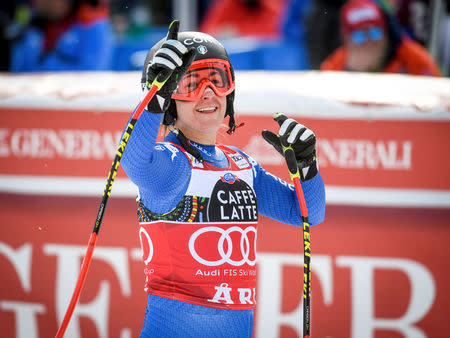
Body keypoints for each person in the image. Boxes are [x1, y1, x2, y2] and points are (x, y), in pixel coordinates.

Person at [120, 21, 326, 337]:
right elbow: (135, 162)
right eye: (190, 83)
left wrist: (307, 167)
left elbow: (309, 214)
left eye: (217, 80)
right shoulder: (172, 164)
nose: (208, 94)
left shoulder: (241, 164)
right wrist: (152, 99)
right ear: (170, 98)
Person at [320, 0, 442, 76]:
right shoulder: (336, 66)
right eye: (359, 36)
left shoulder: (412, 58)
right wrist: (352, 72)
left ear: (386, 32)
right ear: (347, 41)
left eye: (375, 32)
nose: (369, 42)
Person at [10, 0, 113, 72]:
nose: (39, 3)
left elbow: (94, 72)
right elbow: (19, 68)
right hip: (32, 98)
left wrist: (49, 63)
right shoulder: (34, 28)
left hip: (74, 99)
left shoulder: (92, 25)